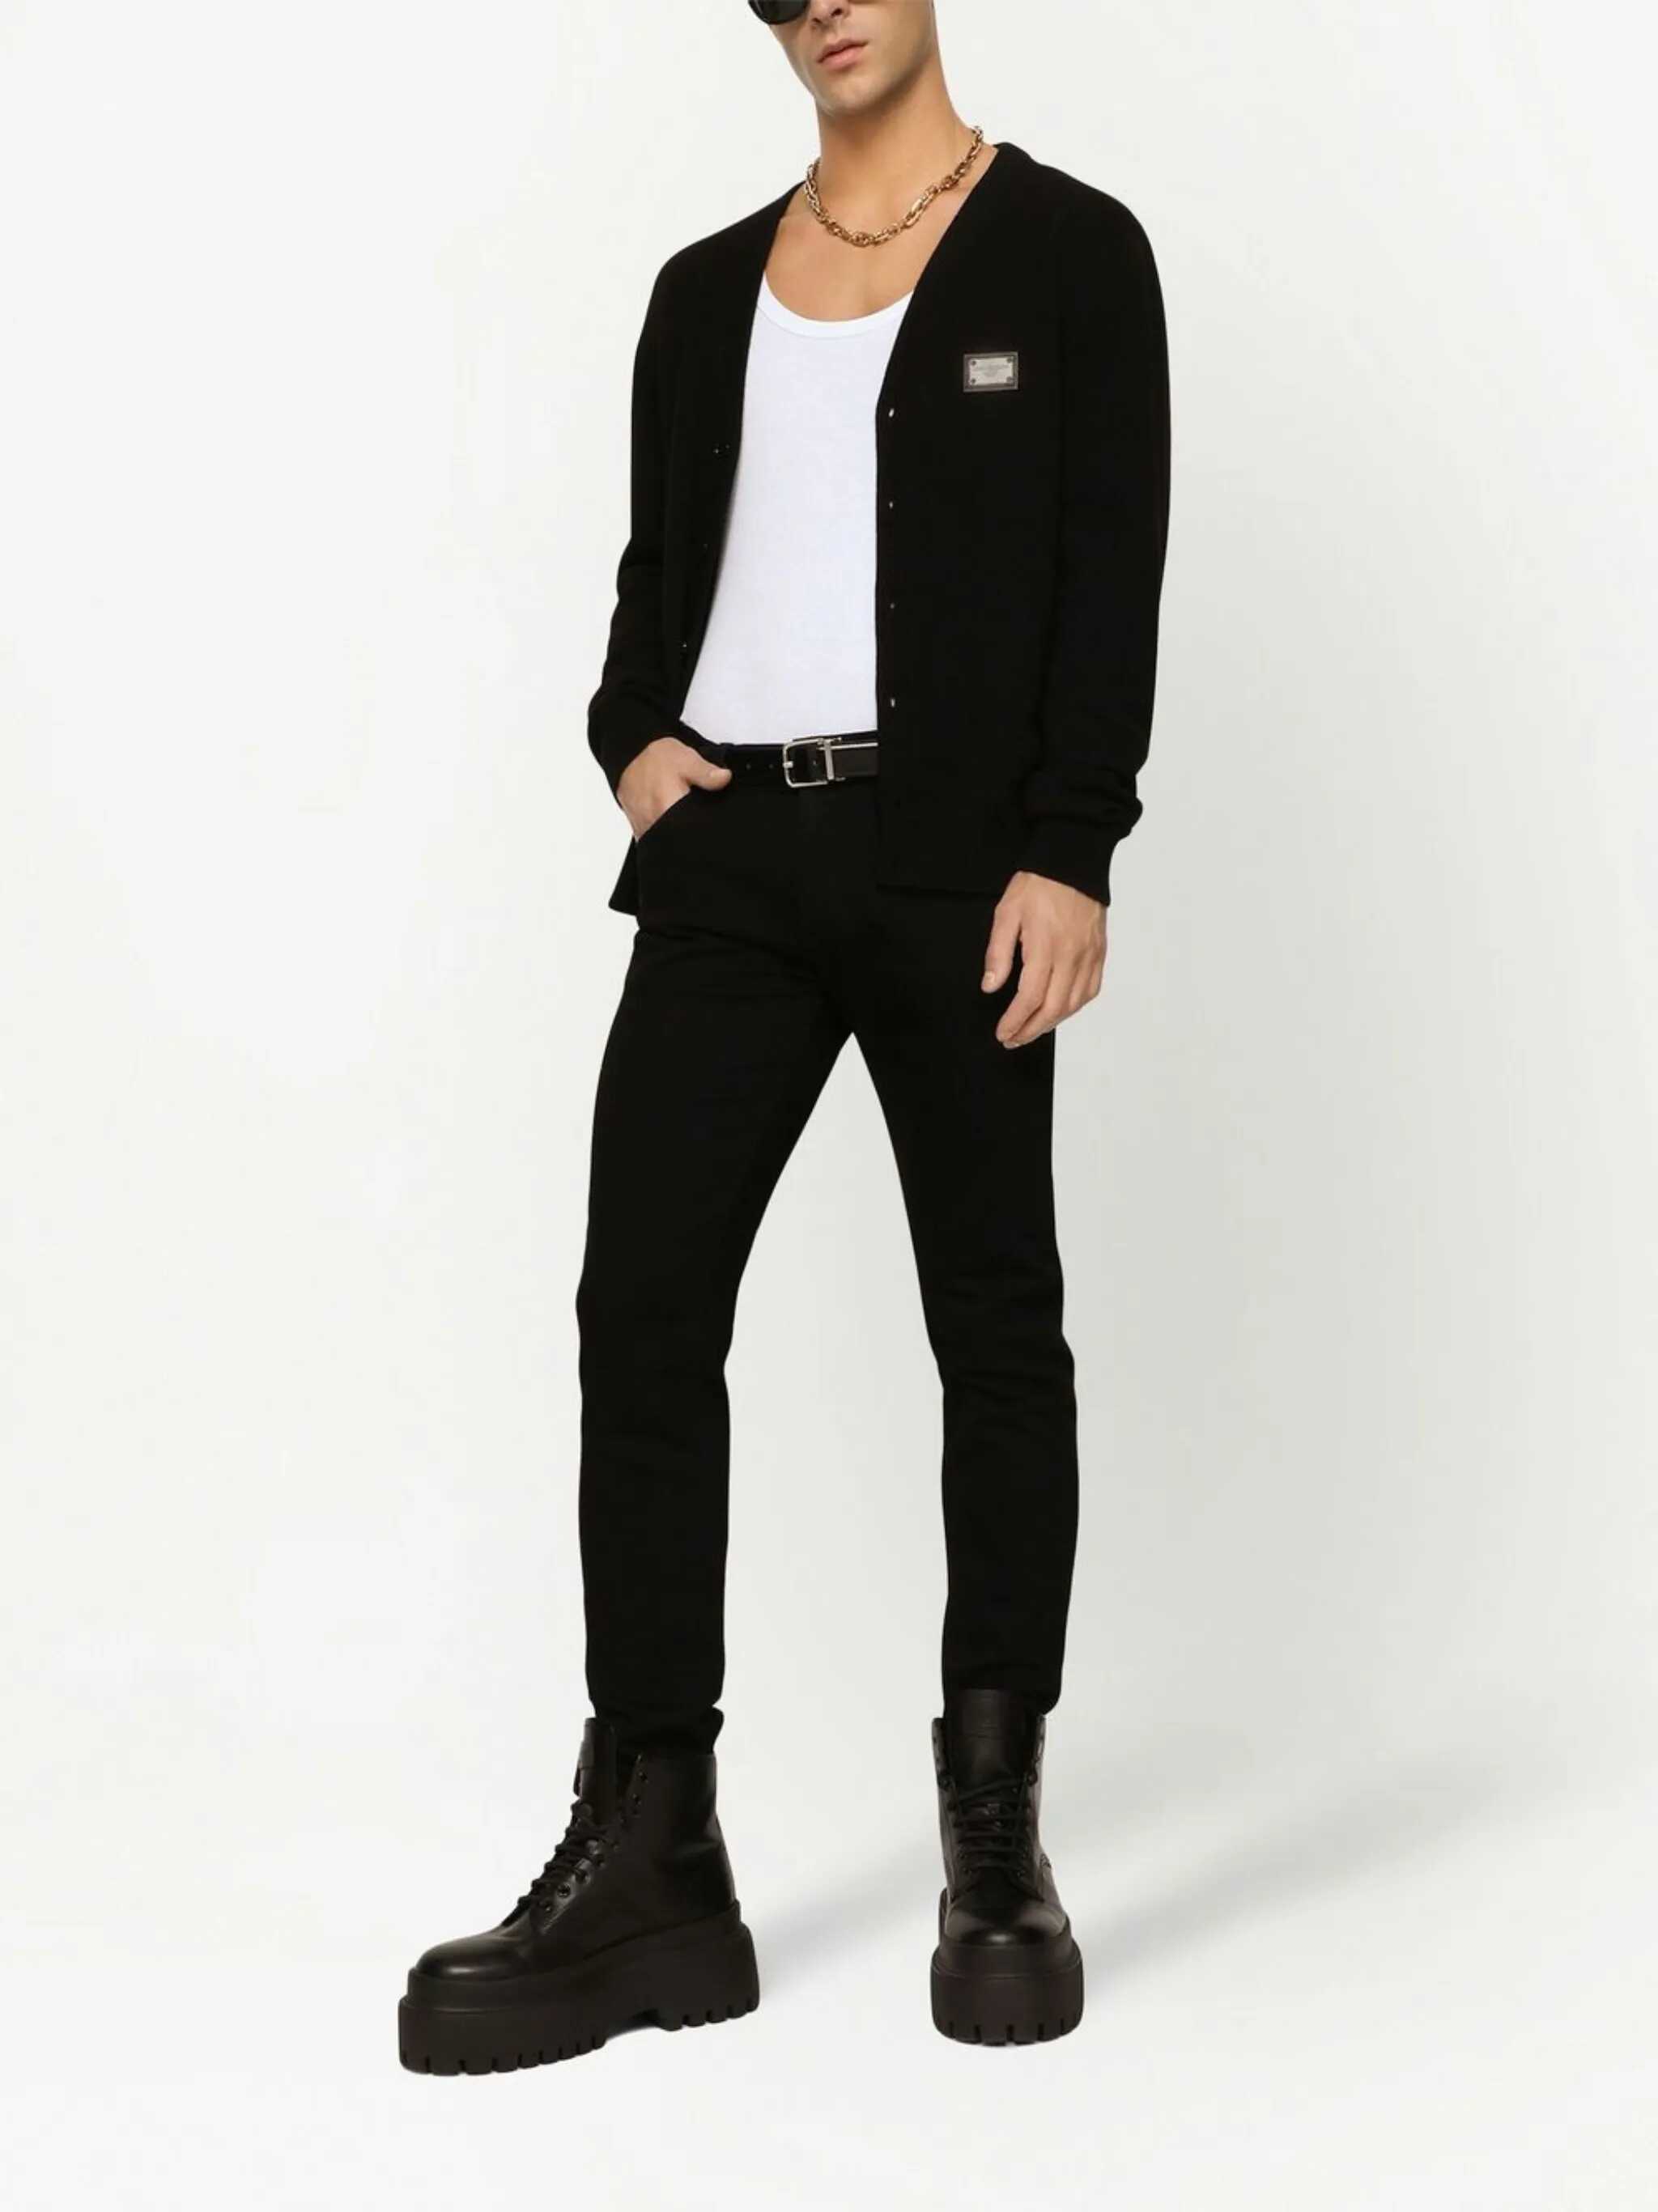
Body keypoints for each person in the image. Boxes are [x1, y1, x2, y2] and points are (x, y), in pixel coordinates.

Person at [398, 0, 1171, 2072]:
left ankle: (994, 1835)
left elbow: (1110, 569)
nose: (817, 1)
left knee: (992, 1319)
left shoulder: (1069, 255)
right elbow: (665, 570)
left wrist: (1069, 844)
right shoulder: (699, 290)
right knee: (641, 1309)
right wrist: (628, 736)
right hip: (733, 863)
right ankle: (655, 1841)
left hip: (959, 870)